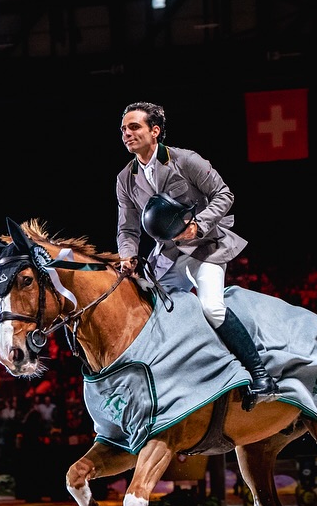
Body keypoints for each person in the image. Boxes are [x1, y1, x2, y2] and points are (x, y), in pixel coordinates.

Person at [114, 100, 278, 408]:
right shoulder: (125, 178)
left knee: (212, 307)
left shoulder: (185, 160)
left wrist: (198, 225)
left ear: (155, 131)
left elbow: (224, 194)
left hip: (206, 246)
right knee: (147, 310)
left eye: (134, 127)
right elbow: (127, 228)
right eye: (123, 129)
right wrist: (127, 254)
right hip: (167, 254)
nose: (127, 133)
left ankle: (261, 376)